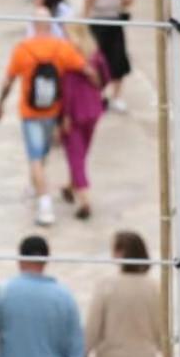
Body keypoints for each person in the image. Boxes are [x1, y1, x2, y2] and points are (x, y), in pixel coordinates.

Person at [0, 10, 92, 226]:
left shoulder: (22, 49)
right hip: (52, 112)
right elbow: (86, 70)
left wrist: (0, 105)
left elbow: (8, 81)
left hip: (30, 114)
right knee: (42, 155)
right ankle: (36, 186)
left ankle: (45, 205)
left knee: (36, 158)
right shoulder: (61, 48)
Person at [59, 23, 111, 219]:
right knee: (81, 153)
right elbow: (106, 78)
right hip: (93, 110)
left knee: (76, 156)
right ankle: (70, 186)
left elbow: (67, 91)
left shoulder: (70, 58)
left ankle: (84, 200)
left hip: (74, 114)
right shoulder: (96, 55)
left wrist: (63, 116)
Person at [83, 0, 134, 110]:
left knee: (118, 60)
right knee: (99, 61)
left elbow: (122, 4)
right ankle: (99, 94)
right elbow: (86, 9)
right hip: (99, 27)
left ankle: (116, 96)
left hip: (115, 25)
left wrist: (128, 1)